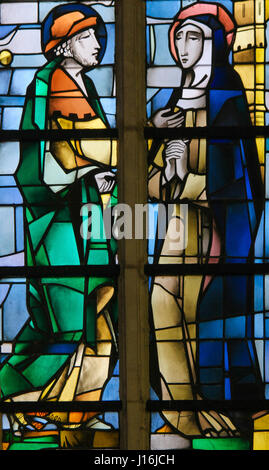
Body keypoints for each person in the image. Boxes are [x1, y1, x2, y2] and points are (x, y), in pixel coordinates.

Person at [0, 3, 118, 445]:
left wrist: (100, 173)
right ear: (65, 44)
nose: (98, 44)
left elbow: (93, 152)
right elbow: (53, 161)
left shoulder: (81, 83)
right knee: (65, 324)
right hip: (59, 224)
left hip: (87, 218)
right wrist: (93, 168)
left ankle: (78, 412)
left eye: (99, 35)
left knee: (99, 317)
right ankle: (13, 395)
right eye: (88, 37)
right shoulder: (52, 84)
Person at [148, 2, 264, 439]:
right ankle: (181, 411)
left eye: (193, 36)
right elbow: (148, 181)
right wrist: (169, 171)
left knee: (202, 314)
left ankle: (211, 406)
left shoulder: (227, 95)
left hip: (213, 228)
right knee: (161, 306)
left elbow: (232, 173)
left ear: (214, 43)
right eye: (178, 36)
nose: (182, 45)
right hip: (175, 229)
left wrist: (189, 174)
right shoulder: (169, 102)